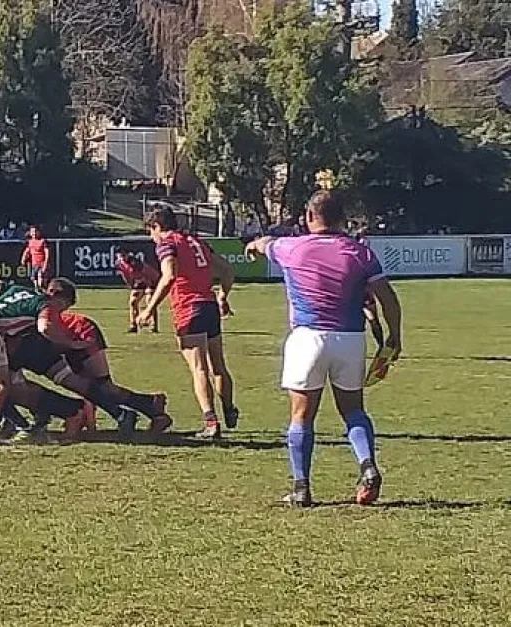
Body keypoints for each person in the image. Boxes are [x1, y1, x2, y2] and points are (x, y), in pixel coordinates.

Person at [245, 189, 402, 507]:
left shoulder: (291, 247)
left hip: (308, 339)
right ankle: (368, 466)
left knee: (302, 415)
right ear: (342, 219)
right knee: (354, 410)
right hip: (349, 339)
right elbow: (387, 297)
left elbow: (263, 244)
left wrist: (253, 246)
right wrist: (393, 336)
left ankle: (301, 488)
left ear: (307, 218)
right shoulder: (360, 253)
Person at [139, 207, 240, 439]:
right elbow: (226, 270)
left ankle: (211, 422)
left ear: (156, 226)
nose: (151, 238)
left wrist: (149, 309)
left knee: (199, 368)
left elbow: (169, 276)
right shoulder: (195, 241)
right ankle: (229, 408)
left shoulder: (167, 244)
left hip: (188, 309)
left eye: (150, 231)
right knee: (219, 366)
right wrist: (223, 296)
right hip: (209, 306)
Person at [0, 278, 83, 444]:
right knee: (1, 385)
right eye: (65, 306)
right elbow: (44, 328)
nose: (61, 312)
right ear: (59, 299)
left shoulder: (19, 290)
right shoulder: (46, 304)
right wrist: (70, 344)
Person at [116, 251, 160, 333]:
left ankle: (153, 325)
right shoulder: (119, 263)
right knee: (133, 302)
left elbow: (146, 272)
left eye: (123, 255)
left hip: (150, 279)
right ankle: (133, 325)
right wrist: (131, 285)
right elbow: (125, 275)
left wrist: (149, 287)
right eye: (119, 255)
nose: (122, 257)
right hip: (139, 281)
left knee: (149, 300)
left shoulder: (134, 262)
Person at [20, 225, 50, 291]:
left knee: (41, 281)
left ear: (39, 232)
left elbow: (47, 253)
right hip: (34, 264)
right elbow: (28, 250)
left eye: (35, 231)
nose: (34, 233)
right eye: (32, 232)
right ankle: (38, 292)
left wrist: (45, 264)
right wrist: (23, 258)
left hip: (42, 264)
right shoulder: (30, 242)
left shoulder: (43, 241)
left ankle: (44, 291)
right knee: (34, 279)